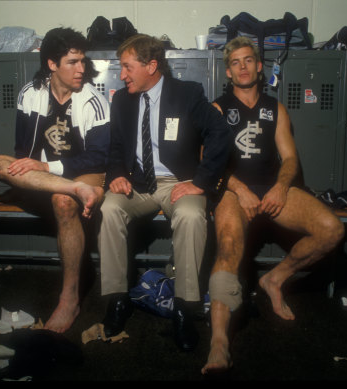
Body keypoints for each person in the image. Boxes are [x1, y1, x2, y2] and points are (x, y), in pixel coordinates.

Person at [201, 37, 345, 374]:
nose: (243, 66)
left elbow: (291, 157)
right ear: (228, 70)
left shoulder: (275, 108)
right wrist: (239, 189)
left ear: (259, 65)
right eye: (235, 62)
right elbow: (209, 162)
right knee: (229, 246)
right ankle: (219, 341)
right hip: (233, 191)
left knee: (331, 230)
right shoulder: (218, 109)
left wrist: (281, 187)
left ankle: (275, 279)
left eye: (248, 60)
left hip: (273, 188)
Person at [98, 34, 232, 351]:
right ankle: (117, 299)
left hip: (179, 182)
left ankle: (185, 309)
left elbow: (220, 133)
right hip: (139, 184)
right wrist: (116, 174)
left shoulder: (187, 94)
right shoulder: (122, 100)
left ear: (151, 65)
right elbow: (116, 148)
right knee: (109, 209)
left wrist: (201, 180)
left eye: (128, 67)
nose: (123, 75)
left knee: (190, 215)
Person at [0, 27, 108, 333]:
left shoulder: (93, 100)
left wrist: (46, 168)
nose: (82, 69)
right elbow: (21, 151)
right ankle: (67, 189)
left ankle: (69, 298)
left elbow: (98, 157)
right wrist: (26, 172)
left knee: (63, 201)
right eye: (73, 62)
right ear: (52, 64)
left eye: (83, 61)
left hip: (82, 172)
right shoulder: (31, 93)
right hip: (47, 175)